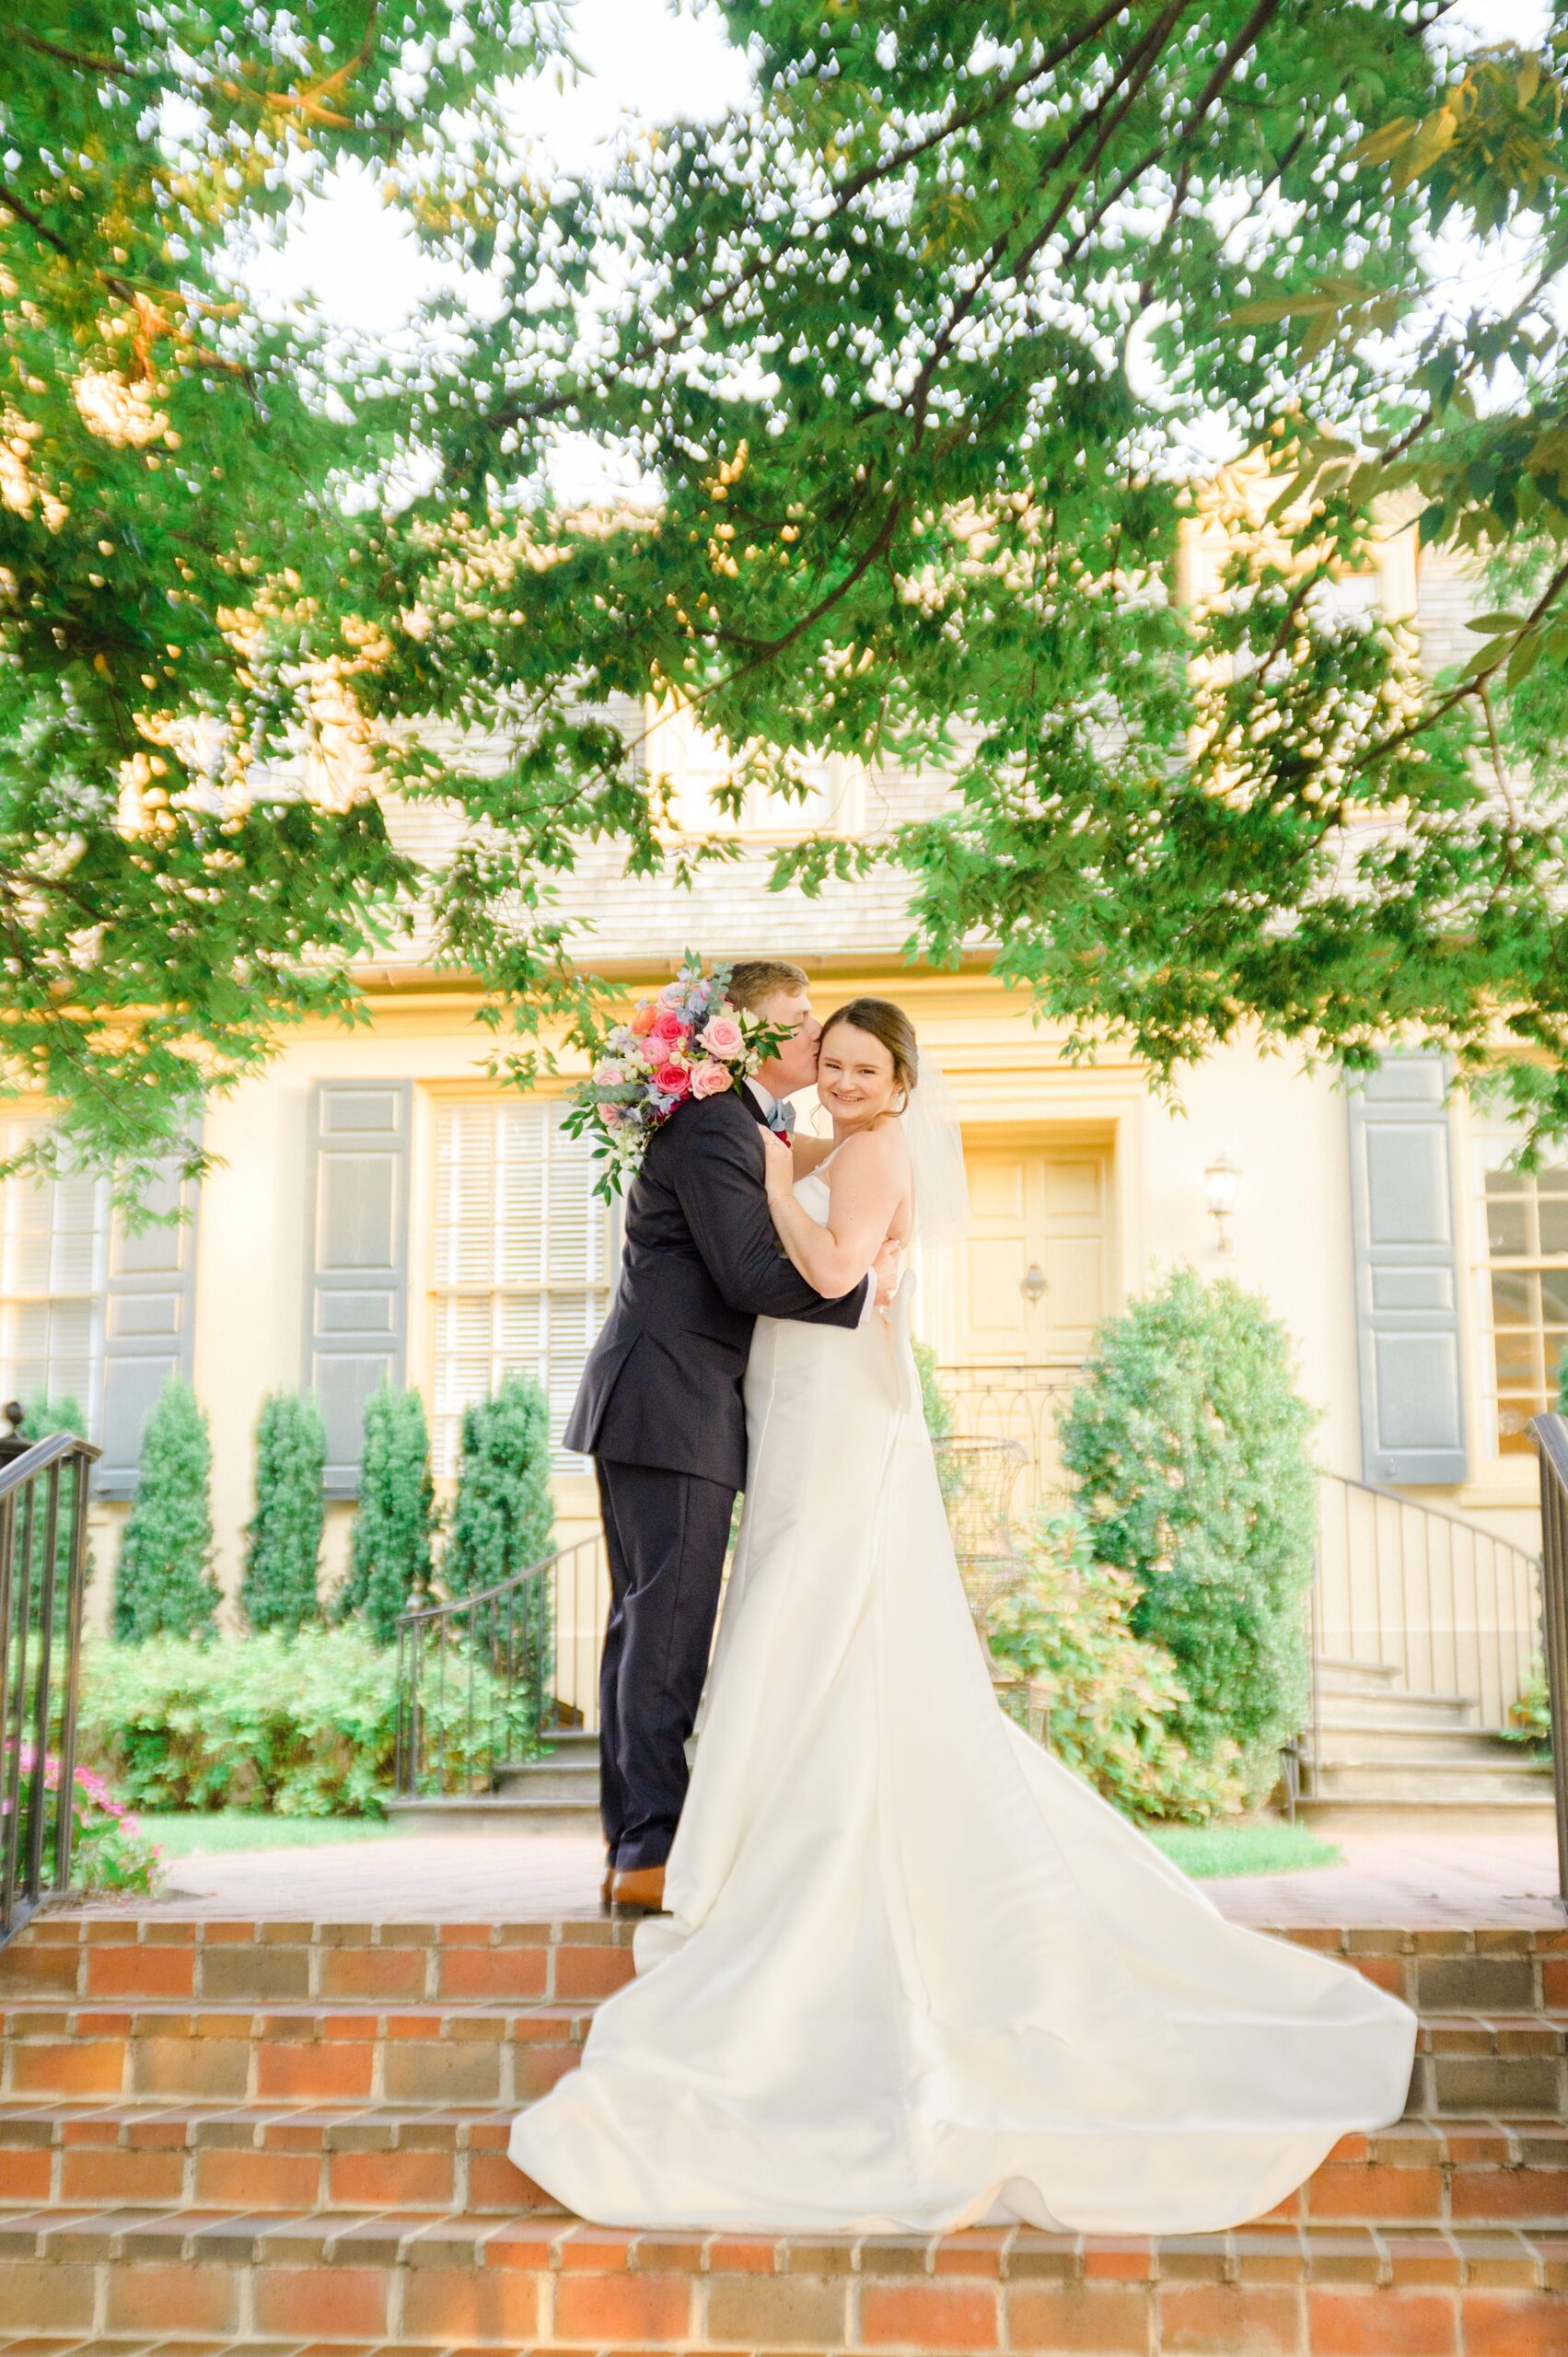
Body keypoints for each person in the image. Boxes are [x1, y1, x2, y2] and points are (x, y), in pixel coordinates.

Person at [516, 994, 1418, 2235]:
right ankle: (738, 1828)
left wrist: (779, 1179)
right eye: (823, 1060)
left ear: (899, 1081)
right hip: (800, 1412)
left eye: (858, 1067)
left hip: (835, 1419)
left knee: (812, 1610)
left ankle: (739, 1843)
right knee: (803, 1619)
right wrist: (784, 1149)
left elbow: (825, 1269)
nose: (835, 1080)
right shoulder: (825, 1136)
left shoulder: (864, 1148)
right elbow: (799, 1204)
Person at [563, 958, 902, 1916]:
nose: (814, 1039)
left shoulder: (757, 1127)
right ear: (744, 1034)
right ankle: (648, 1849)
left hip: (673, 1401)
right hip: (669, 1402)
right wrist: (866, 1293)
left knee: (649, 1624)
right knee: (665, 1631)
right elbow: (751, 1275)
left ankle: (640, 1838)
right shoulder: (719, 1127)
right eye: (797, 1024)